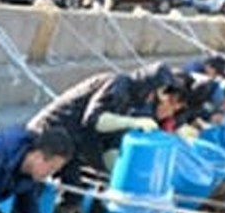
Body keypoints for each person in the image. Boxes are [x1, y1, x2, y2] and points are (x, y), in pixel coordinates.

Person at [27, 62, 187, 186]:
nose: (154, 99)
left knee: (77, 189)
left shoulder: (131, 100)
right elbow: (93, 120)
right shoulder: (117, 83)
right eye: (155, 92)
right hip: (52, 131)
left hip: (73, 139)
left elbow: (108, 133)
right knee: (39, 182)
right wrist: (133, 122)